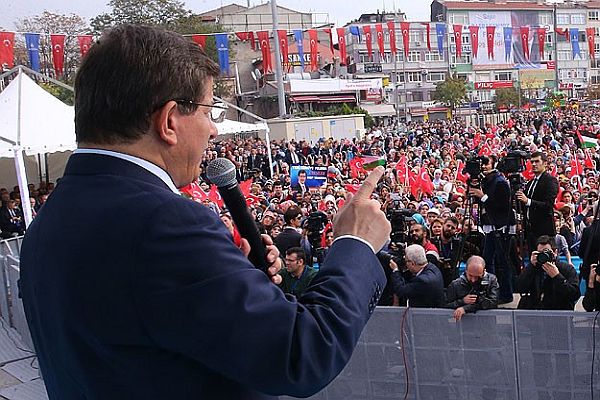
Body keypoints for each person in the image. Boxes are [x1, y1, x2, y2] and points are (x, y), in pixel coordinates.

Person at [19, 25, 391, 400]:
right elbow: (303, 353)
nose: (214, 129)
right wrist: (354, 243)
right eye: (209, 110)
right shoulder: (163, 223)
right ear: (168, 121)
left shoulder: (49, 220)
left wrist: (232, 276)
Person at [468, 155, 515, 304]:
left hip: (501, 227)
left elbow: (503, 206)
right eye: (481, 164)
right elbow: (480, 201)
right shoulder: (485, 181)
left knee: (502, 261)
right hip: (489, 226)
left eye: (486, 163)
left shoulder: (500, 182)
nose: (483, 166)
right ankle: (491, 290)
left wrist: (483, 197)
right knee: (487, 260)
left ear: (494, 164)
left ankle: (506, 293)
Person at [515, 235, 580, 310]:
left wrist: (557, 276)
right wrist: (531, 267)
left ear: (555, 252)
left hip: (559, 312)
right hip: (536, 311)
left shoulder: (567, 269)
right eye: (540, 253)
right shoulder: (534, 269)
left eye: (546, 252)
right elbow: (519, 287)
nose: (543, 255)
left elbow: (575, 295)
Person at [516, 151, 559, 253]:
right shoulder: (530, 183)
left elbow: (548, 205)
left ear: (545, 163)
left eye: (537, 161)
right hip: (531, 230)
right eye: (532, 162)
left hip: (544, 230)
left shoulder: (550, 180)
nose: (534, 164)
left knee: (546, 262)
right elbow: (524, 205)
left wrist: (528, 201)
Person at [444, 256, 499, 321]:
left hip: (487, 322)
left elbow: (493, 303)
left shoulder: (491, 280)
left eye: (477, 277)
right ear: (466, 271)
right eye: (470, 275)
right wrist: (462, 301)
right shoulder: (456, 285)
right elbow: (445, 306)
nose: (473, 280)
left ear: (484, 272)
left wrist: (467, 308)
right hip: (464, 325)